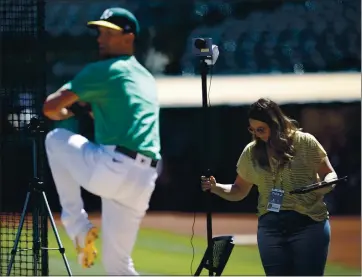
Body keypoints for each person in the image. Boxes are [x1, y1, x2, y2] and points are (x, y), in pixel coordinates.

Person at [42, 7, 161, 275]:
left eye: (109, 32)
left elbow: (50, 108)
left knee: (56, 139)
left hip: (113, 168)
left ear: (129, 37)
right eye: (100, 32)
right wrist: (91, 109)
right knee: (118, 266)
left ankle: (77, 227)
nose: (100, 38)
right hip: (144, 179)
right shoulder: (146, 77)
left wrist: (71, 110)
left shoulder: (103, 70)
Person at [201, 98, 338, 276]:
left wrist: (325, 185)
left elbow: (330, 174)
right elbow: (239, 190)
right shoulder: (251, 152)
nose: (257, 134)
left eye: (261, 129)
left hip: (308, 224)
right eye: (253, 130)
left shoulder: (305, 142)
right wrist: (216, 187)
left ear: (275, 124)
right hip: (270, 228)